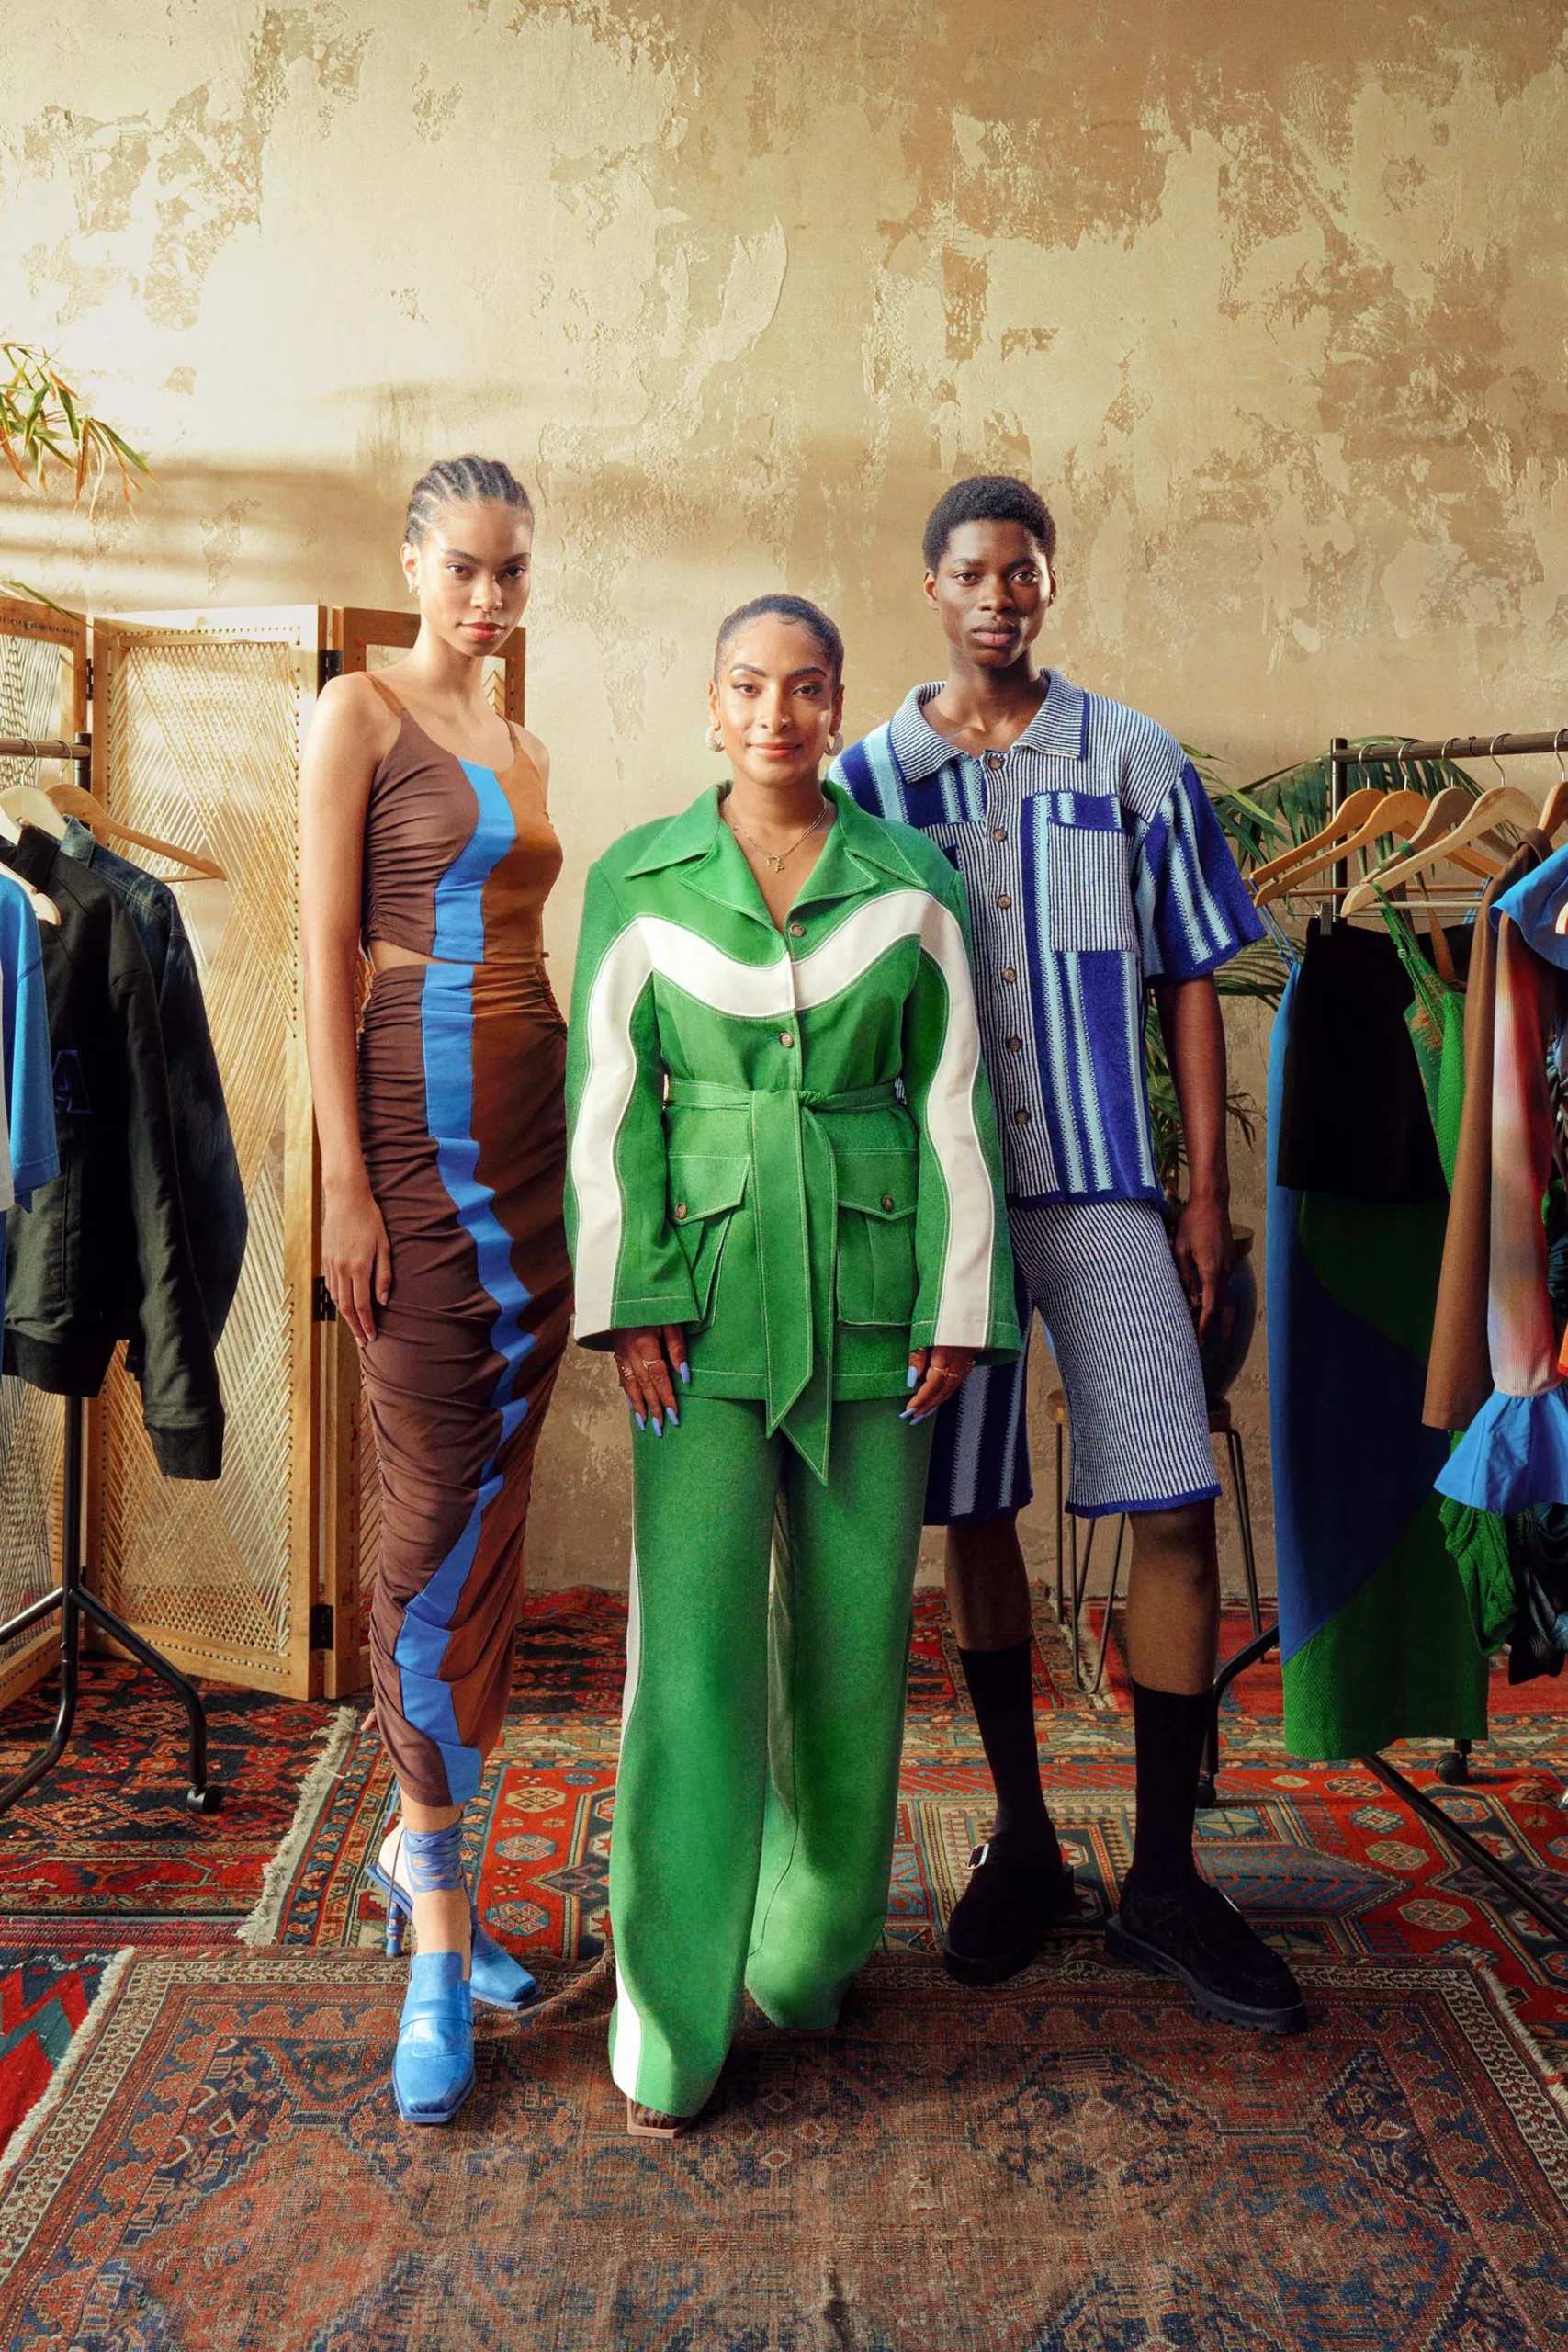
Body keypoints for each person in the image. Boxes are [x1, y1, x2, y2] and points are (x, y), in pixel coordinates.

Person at [831, 475, 1306, 2034]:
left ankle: (1163, 1874)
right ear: (930, 587)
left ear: (1048, 587)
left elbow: (1185, 973)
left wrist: (1202, 1192)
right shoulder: (865, 784)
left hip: (1103, 1186)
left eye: (1021, 573)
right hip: (937, 1204)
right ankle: (1024, 1840)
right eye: (970, 572)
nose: (997, 597)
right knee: (971, 1509)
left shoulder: (1133, 759)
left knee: (1170, 1492)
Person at [565, 594, 1020, 2133]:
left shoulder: (912, 877)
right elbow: (606, 1103)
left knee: (847, 1660)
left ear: (836, 711)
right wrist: (630, 1299)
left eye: (806, 689)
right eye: (749, 687)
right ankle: (667, 2015)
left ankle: (810, 1945)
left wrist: (962, 1303)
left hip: (882, 1308)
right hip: (692, 1317)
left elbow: (955, 1098)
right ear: (712, 708)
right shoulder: (636, 878)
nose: (777, 712)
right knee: (689, 1670)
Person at [300, 454, 573, 2122]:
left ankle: (429, 1859)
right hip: (405, 1149)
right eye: (464, 568)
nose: (488, 599)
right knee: (418, 1527)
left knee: (486, 1527)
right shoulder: (358, 711)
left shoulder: (529, 747)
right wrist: (342, 1179)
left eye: (512, 573)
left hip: (535, 1164)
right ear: (411, 561)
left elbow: (534, 956)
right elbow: (328, 951)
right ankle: (435, 1921)